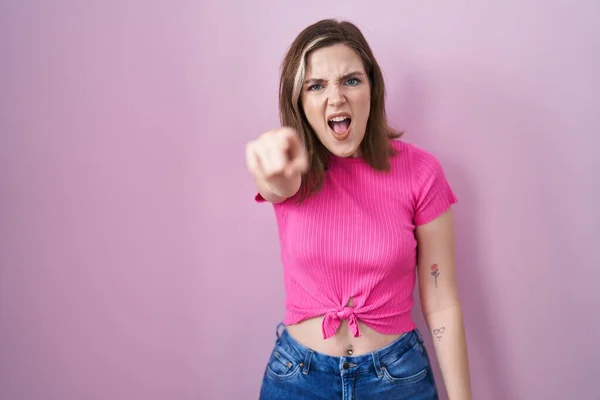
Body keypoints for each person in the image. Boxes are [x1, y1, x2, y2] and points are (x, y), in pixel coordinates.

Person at [246, 18, 472, 400]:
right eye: (316, 86)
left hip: (397, 378)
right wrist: (269, 159)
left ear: (372, 88)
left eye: (350, 80)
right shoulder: (294, 169)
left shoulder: (420, 172)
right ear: (300, 101)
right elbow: (275, 182)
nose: (336, 98)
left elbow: (441, 300)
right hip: (299, 378)